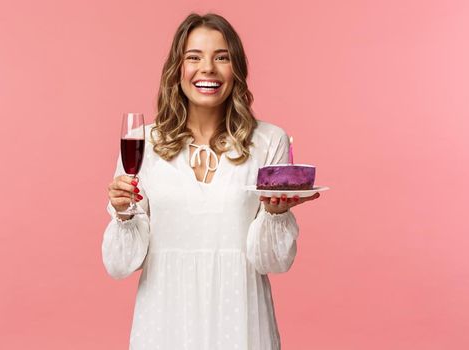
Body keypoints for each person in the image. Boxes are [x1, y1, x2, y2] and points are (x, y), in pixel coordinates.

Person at [102, 13, 320, 349]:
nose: (208, 68)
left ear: (237, 70)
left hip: (241, 317)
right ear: (178, 69)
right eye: (194, 57)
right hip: (165, 319)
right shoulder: (141, 142)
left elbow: (273, 262)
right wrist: (124, 213)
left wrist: (277, 214)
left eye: (222, 57)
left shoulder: (268, 141)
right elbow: (119, 265)